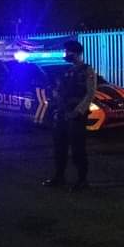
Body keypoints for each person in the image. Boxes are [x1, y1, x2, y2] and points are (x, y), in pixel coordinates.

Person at [41, 40, 97, 192]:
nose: (65, 54)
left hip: (76, 115)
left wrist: (78, 111)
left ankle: (82, 180)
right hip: (63, 113)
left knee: (78, 149)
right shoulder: (68, 70)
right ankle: (59, 177)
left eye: (67, 52)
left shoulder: (87, 70)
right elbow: (61, 91)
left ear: (76, 53)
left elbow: (90, 93)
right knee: (60, 147)